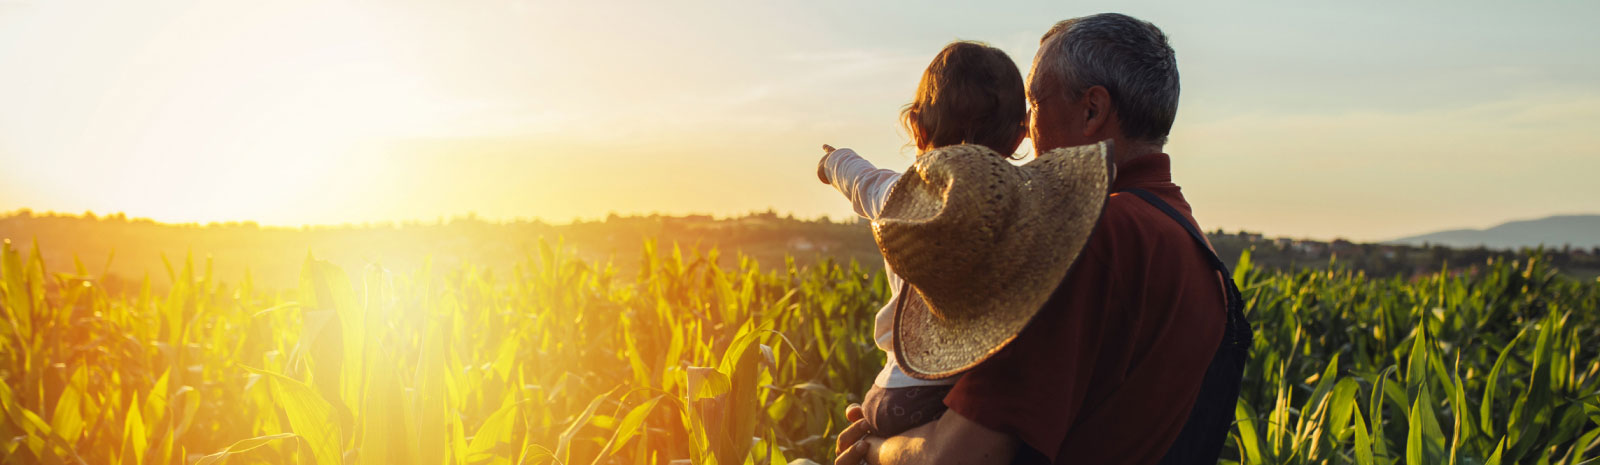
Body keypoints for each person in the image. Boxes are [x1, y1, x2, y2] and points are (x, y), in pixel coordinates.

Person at [834, 13, 1251, 465]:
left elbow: (961, 456)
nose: (1027, 134)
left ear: (1091, 110)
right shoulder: (1192, 247)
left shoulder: (1084, 241)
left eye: (1033, 106)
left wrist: (875, 449)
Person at [815, 40, 1029, 437]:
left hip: (895, 388)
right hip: (951, 394)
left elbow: (860, 178)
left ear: (917, 127)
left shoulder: (897, 195)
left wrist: (833, 161)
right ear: (1020, 138)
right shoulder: (1023, 216)